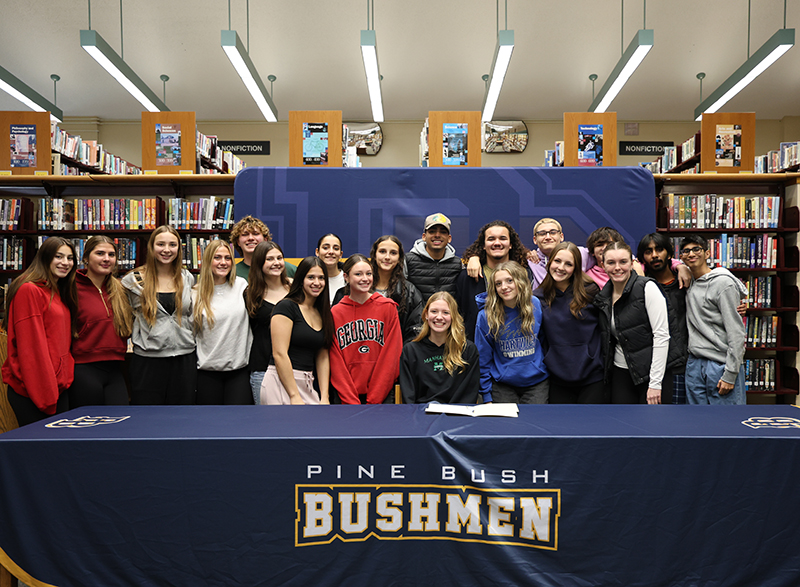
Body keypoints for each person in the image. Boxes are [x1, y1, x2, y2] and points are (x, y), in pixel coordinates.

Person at [2, 237, 78, 426]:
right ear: (44, 257)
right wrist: (46, 395)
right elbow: (31, 348)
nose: (65, 263)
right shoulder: (30, 290)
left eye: (70, 258)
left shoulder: (58, 290)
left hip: (56, 389)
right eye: (58, 256)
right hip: (35, 391)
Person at [121, 226, 197, 405]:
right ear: (151, 247)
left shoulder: (187, 277)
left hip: (184, 359)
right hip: (148, 361)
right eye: (160, 244)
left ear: (179, 248)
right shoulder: (132, 280)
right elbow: (124, 318)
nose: (166, 250)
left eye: (172, 245)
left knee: (182, 417)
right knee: (148, 418)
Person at [593, 241, 670, 404]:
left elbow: (661, 336)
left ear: (632, 263)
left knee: (651, 425)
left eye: (623, 262)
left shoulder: (647, 287)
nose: (617, 268)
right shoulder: (603, 297)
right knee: (623, 426)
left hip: (649, 375)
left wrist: (655, 383)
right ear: (603, 265)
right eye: (611, 262)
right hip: (621, 374)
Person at [533, 242, 605, 403]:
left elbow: (604, 328)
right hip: (557, 378)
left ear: (576, 268)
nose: (561, 267)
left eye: (568, 264)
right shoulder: (538, 298)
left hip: (592, 376)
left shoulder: (590, 291)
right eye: (557, 261)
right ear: (549, 262)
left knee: (590, 427)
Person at [679, 235, 747, 405]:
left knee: (728, 424)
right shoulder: (689, 282)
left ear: (708, 253)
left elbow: (736, 333)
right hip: (695, 364)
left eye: (697, 249)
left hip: (721, 363)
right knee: (697, 425)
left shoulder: (723, 283)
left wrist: (730, 374)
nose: (691, 254)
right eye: (686, 251)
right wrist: (679, 266)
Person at [68, 236, 133, 408]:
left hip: (115, 369)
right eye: (100, 253)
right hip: (83, 369)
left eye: (111, 255)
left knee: (121, 425)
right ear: (85, 258)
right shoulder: (70, 288)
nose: (106, 259)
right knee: (88, 430)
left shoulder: (119, 289)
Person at [330, 254, 403, 404]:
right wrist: (350, 401)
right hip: (346, 397)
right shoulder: (335, 313)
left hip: (381, 396)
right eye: (358, 274)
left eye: (368, 273)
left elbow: (392, 355)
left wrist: (375, 398)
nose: (365, 279)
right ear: (346, 277)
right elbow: (335, 361)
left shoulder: (387, 308)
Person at [261, 256, 334, 405]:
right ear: (301, 280)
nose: (316, 283)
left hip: (307, 382)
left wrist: (325, 396)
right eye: (311, 277)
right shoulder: (286, 307)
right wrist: (294, 394)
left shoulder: (323, 312)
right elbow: (279, 354)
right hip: (281, 381)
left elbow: (322, 356)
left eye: (321, 278)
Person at [475, 261, 548, 404]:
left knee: (534, 425)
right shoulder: (486, 316)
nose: (504, 287)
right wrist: (486, 395)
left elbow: (544, 340)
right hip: (503, 385)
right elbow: (482, 358)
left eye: (509, 281)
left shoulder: (535, 305)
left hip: (536, 383)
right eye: (498, 283)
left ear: (520, 281)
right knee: (506, 426)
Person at [192, 240, 253, 404]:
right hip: (207, 373)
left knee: (238, 424)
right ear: (207, 261)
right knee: (210, 425)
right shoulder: (195, 293)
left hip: (238, 371)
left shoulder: (242, 286)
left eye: (227, 258)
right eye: (217, 257)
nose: (223, 262)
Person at [455, 220, 531, 341]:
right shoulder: (467, 277)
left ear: (511, 244)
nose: (497, 243)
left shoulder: (525, 274)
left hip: (514, 348)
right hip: (476, 348)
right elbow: (458, 315)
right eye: (491, 239)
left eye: (502, 238)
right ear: (483, 245)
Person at [400, 292, 480, 404]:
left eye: (446, 312)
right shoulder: (410, 351)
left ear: (453, 317)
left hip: (456, 416)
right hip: (422, 416)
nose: (439, 317)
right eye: (434, 311)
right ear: (426, 315)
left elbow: (469, 393)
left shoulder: (468, 350)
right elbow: (408, 396)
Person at [638, 232, 690, 404]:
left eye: (659, 250)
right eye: (648, 251)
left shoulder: (687, 283)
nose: (654, 255)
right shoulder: (640, 288)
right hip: (653, 367)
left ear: (668, 253)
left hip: (685, 365)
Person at [245, 241, 291, 404]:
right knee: (267, 422)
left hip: (294, 368)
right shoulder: (250, 293)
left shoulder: (295, 290)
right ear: (259, 263)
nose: (276, 263)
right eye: (269, 259)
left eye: (279, 258)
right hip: (262, 368)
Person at [370, 235, 423, 343]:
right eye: (382, 251)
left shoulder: (410, 291)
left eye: (393, 253)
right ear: (374, 255)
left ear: (399, 258)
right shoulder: (361, 287)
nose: (387, 257)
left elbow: (415, 330)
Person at [405, 213, 463, 301]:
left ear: (449, 238)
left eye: (443, 232)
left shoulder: (458, 264)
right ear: (424, 236)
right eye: (432, 231)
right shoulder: (407, 260)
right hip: (416, 314)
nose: (437, 235)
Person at [230, 215, 296, 280]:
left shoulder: (286, 268)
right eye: (245, 234)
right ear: (238, 242)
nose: (250, 238)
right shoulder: (232, 273)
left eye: (255, 234)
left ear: (265, 239)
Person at [316, 233, 344, 304]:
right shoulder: (308, 279)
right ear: (317, 252)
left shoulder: (350, 278)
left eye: (336, 248)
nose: (331, 252)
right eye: (325, 248)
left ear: (341, 254)